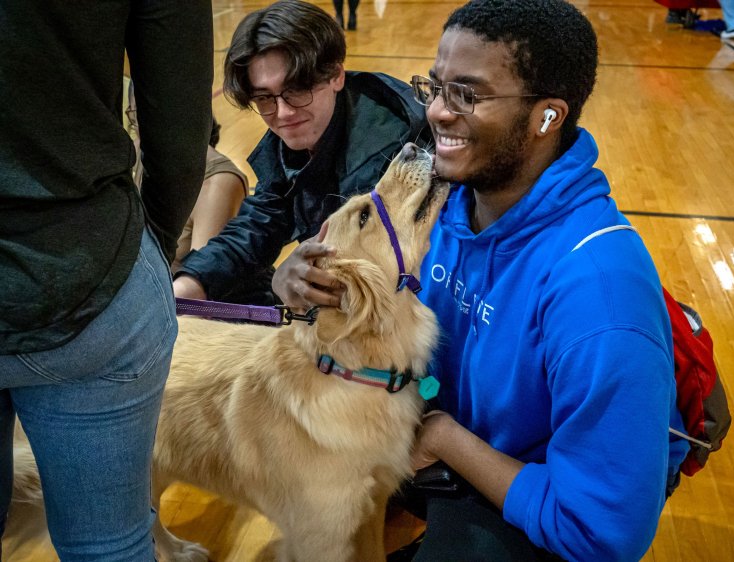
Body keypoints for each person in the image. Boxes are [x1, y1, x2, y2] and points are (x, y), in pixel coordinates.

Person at [274, 0, 691, 560]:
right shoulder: (448, 201)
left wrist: (445, 438)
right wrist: (295, 280)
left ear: (548, 117)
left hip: (540, 492)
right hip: (452, 438)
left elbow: (600, 533)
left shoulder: (598, 294)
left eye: (467, 95)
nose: (438, 114)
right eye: (437, 87)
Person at [0, 0, 213, 559]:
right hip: (90, 271)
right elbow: (178, 136)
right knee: (109, 546)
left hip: (88, 275)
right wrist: (153, 250)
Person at [173, 0, 429, 306]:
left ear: (336, 75)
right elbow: (262, 220)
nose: (282, 113)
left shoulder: (387, 148)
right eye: (264, 98)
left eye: (297, 89)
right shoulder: (299, 135)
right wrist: (189, 284)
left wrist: (286, 277)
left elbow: (366, 272)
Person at [126, 88, 250, 273]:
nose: (147, 123)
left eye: (156, 110)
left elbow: (200, 284)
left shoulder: (219, 182)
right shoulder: (137, 151)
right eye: (138, 113)